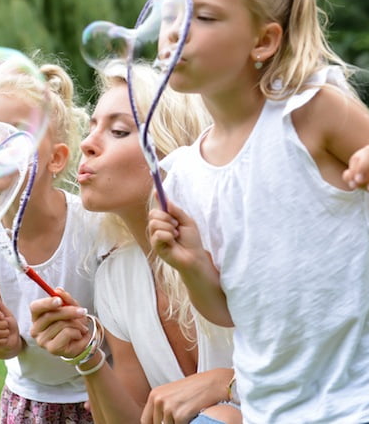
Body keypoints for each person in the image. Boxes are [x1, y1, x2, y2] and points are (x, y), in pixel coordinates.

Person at [147, 0, 369, 423]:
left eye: (203, 17)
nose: (176, 32)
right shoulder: (183, 172)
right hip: (275, 406)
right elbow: (228, 311)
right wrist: (191, 266)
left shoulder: (310, 113)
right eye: (169, 15)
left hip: (361, 400)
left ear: (263, 41)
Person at [29, 61, 242, 424]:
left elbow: (317, 366)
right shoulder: (117, 275)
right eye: (93, 127)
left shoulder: (230, 250)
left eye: (118, 131)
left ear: (170, 149)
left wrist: (227, 384)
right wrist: (87, 357)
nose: (87, 144)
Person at [0, 55, 103, 423]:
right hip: (31, 402)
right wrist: (1, 341)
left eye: (15, 133)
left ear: (56, 158)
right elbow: (8, 345)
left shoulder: (92, 227)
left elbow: (127, 328)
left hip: (98, 392)